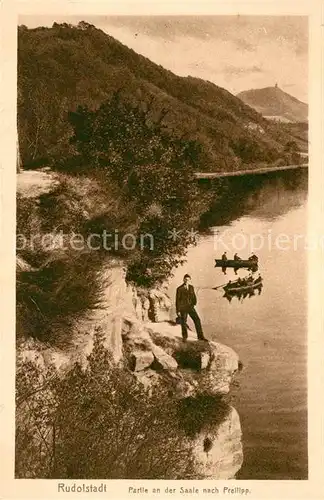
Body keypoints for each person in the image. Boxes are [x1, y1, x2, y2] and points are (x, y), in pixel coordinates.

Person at [176, 274, 206, 341]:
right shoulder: (179, 289)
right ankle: (185, 337)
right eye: (186, 279)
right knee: (183, 322)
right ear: (183, 280)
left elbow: (194, 296)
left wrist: (194, 304)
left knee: (197, 320)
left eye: (188, 280)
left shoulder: (191, 287)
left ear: (190, 280)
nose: (187, 281)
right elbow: (177, 300)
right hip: (183, 308)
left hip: (190, 307)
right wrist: (178, 310)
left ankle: (200, 336)